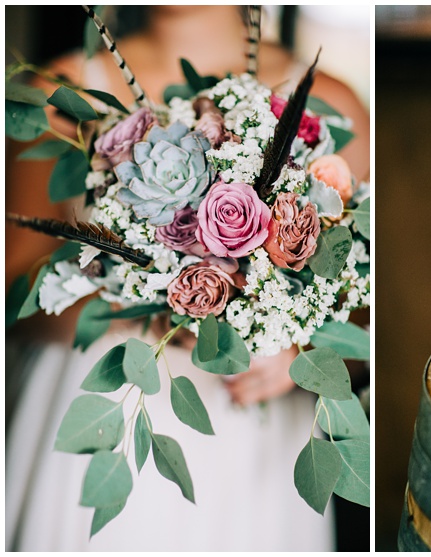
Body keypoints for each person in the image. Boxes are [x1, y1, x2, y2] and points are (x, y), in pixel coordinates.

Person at [4, 6, 370, 551]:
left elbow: (361, 309)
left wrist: (297, 349)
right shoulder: (65, 91)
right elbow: (14, 294)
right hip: (106, 405)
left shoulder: (332, 103)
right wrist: (151, 295)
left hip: (254, 435)